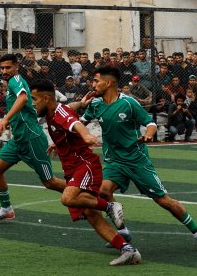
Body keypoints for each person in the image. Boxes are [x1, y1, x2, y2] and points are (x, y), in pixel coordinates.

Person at [72, 66, 197, 252]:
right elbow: (79, 124)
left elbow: (151, 123)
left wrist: (148, 134)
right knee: (103, 193)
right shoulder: (95, 104)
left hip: (136, 160)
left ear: (108, 83)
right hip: (114, 161)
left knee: (163, 201)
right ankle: (123, 232)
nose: (93, 84)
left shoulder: (129, 103)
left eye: (96, 81)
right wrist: (63, 139)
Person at [27, 80, 140, 265]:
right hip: (73, 169)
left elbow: (74, 123)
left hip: (85, 165)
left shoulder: (60, 113)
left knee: (67, 198)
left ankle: (110, 206)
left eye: (34, 99)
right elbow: (69, 109)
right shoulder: (53, 111)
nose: (32, 103)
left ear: (46, 98)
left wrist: (86, 135)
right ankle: (128, 250)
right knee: (90, 214)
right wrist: (80, 104)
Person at [0, 54, 62, 222]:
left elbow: (23, 98)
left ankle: (85, 199)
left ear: (16, 67)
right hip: (18, 140)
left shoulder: (17, 81)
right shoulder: (10, 89)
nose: (4, 71)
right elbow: (13, 117)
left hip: (32, 139)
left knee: (50, 182)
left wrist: (5, 119)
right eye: (2, 68)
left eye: (8, 67)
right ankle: (6, 209)